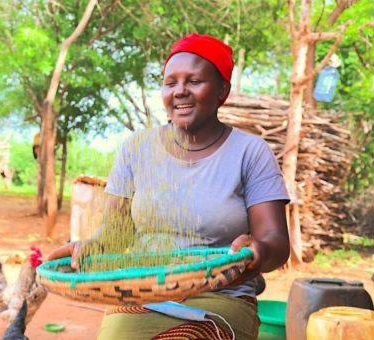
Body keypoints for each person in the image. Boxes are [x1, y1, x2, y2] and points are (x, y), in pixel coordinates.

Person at [47, 33, 290, 340]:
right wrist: (91, 247)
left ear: (222, 91)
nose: (180, 92)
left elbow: (276, 241)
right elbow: (114, 233)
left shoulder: (250, 152)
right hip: (143, 293)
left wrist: (260, 249)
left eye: (194, 81)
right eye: (170, 82)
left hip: (221, 296)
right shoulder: (136, 149)